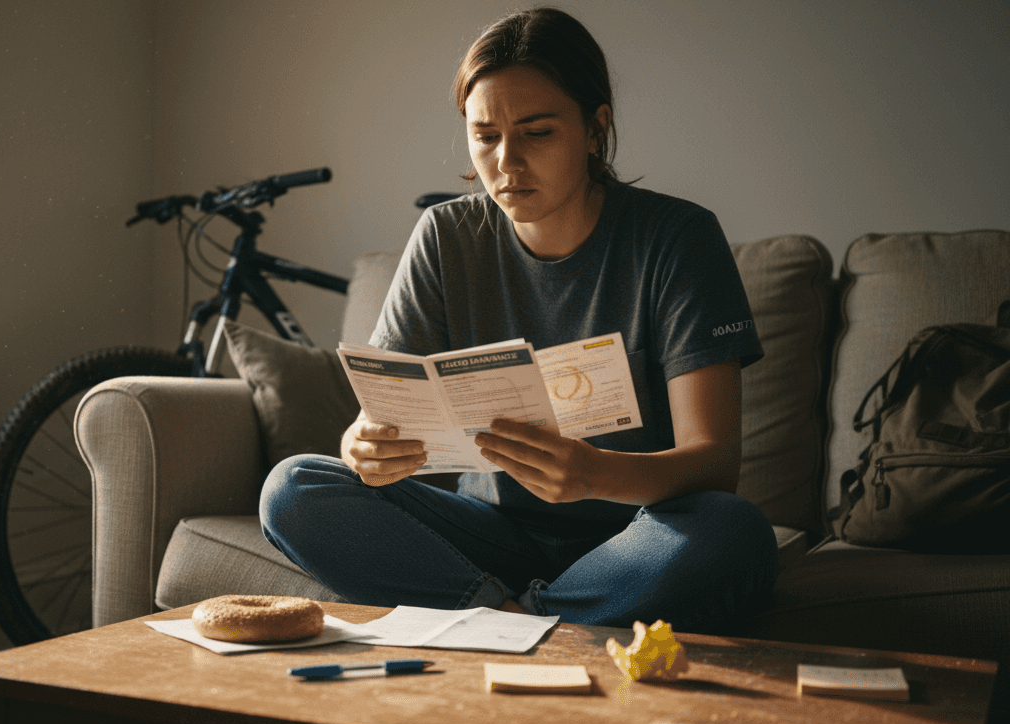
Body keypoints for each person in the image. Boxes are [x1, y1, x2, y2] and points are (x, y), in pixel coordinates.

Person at [260, 7, 778, 633]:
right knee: (293, 488)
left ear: (595, 128)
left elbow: (715, 463)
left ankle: (508, 623)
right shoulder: (445, 237)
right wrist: (365, 449)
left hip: (638, 533)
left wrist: (595, 474)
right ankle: (519, 620)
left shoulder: (677, 239)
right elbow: (387, 424)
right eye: (485, 136)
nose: (506, 161)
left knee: (734, 530)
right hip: (493, 535)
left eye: (536, 133)